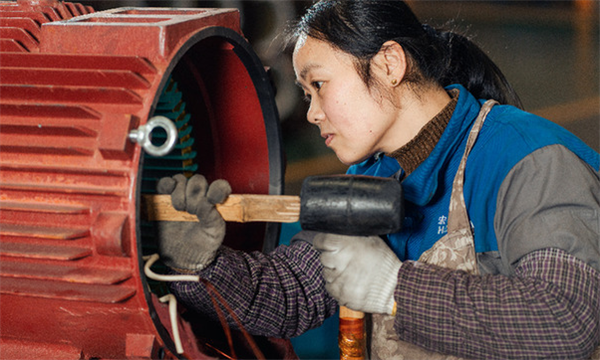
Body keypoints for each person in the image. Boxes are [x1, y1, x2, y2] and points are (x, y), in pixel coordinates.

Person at [155, 1, 600, 358]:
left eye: (320, 85)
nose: (311, 113)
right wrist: (202, 263)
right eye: (306, 94)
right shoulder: (372, 177)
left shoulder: (529, 160)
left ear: (389, 63)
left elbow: (566, 318)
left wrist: (394, 287)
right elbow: (292, 296)